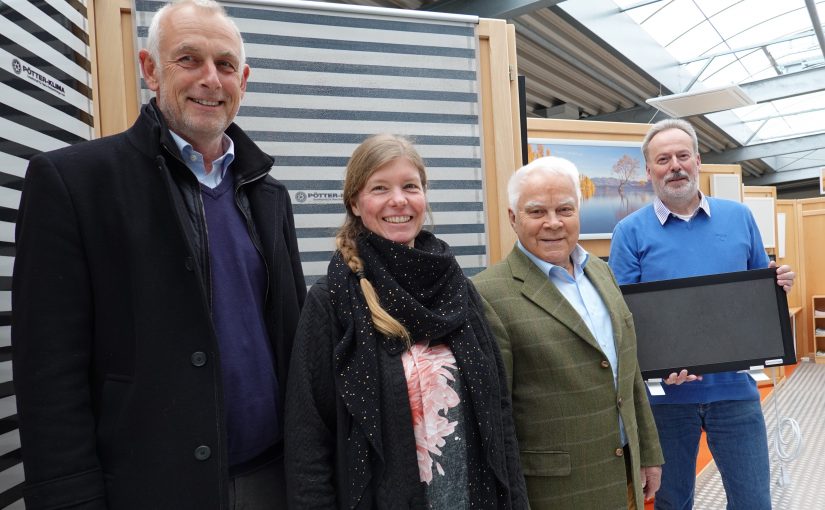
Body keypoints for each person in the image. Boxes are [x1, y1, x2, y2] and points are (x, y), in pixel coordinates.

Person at [12, 1, 305, 508]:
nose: (211, 79)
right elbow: (48, 374)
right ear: (150, 70)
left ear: (244, 79)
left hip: (273, 478)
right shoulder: (75, 184)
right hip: (149, 488)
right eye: (188, 60)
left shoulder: (267, 194)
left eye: (225, 64)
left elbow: (291, 340)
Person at [284, 134, 527, 509]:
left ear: (424, 196)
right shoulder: (333, 300)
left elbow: (499, 415)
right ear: (355, 202)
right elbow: (308, 437)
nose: (398, 200)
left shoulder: (458, 288)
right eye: (380, 188)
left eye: (409, 186)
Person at [609, 118, 795, 510]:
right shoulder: (629, 232)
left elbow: (759, 294)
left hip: (736, 393)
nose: (674, 165)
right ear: (648, 171)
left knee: (753, 502)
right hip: (666, 400)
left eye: (682, 156)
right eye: (663, 159)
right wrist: (657, 367)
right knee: (672, 503)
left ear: (697, 160)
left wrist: (778, 284)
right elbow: (624, 317)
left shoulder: (739, 217)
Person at [473, 156, 663, 509]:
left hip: (623, 479)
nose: (553, 223)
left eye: (564, 209)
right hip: (552, 493)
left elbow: (628, 370)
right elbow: (494, 417)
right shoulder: (488, 295)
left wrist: (648, 452)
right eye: (536, 212)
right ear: (513, 218)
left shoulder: (602, 275)